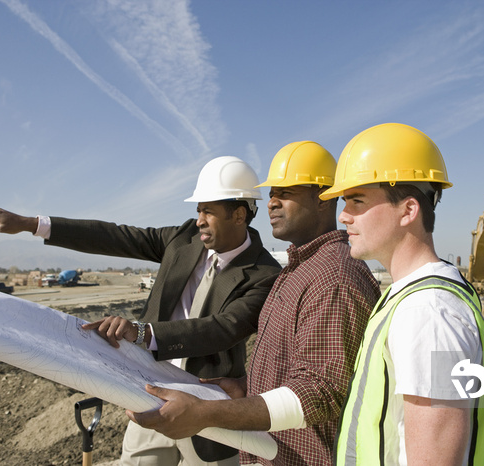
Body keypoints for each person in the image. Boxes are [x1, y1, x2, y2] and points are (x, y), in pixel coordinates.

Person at [0, 156, 282, 466]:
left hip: (207, 407)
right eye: (198, 210)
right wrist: (30, 224)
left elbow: (223, 328)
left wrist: (144, 332)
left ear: (239, 215)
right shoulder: (183, 238)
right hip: (148, 393)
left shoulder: (263, 273)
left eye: (208, 211)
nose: (199, 219)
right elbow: (116, 236)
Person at [125, 141, 381, 465]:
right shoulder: (303, 267)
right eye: (272, 193)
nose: (271, 202)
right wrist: (246, 389)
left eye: (285, 193)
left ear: (323, 198)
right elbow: (298, 370)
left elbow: (320, 392)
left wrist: (208, 412)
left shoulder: (333, 278)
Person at [317, 123, 484, 465]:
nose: (343, 215)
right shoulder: (410, 297)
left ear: (408, 210)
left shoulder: (428, 311)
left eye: (356, 201)